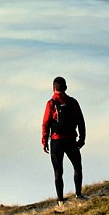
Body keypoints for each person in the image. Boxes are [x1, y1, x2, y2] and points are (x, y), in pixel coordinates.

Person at [41, 76, 86, 206]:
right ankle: (79, 195)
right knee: (77, 166)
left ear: (53, 88)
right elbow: (81, 122)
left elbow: (45, 124)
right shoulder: (73, 102)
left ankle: (60, 201)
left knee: (58, 171)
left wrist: (44, 141)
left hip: (56, 141)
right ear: (65, 87)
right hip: (71, 140)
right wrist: (82, 138)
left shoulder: (51, 104)